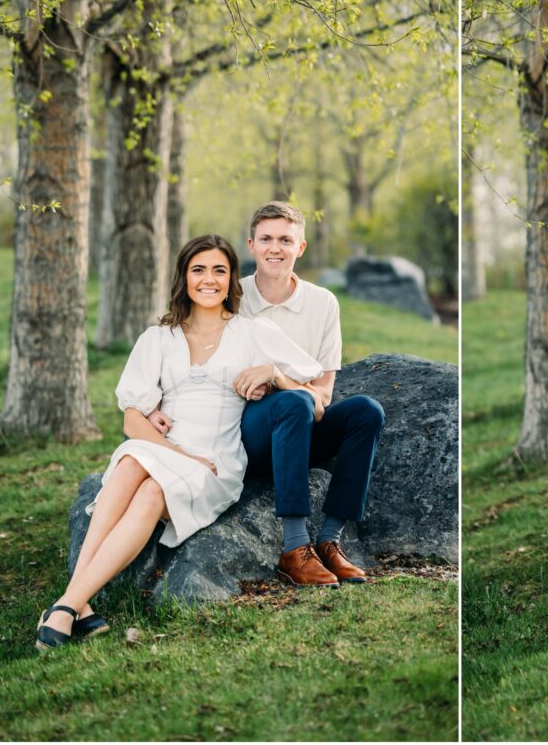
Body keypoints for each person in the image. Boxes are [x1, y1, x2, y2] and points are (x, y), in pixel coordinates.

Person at [35, 235, 323, 650]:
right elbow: (133, 421)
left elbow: (313, 400)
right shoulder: (158, 338)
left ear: (231, 280)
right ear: (184, 278)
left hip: (215, 460)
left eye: (220, 270)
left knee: (152, 488)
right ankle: (72, 606)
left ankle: (69, 604)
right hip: (165, 448)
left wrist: (273, 373)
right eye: (199, 270)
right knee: (135, 462)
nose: (209, 279)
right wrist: (173, 450)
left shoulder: (253, 331)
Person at [150, 202, 384, 588]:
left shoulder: (323, 303)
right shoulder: (229, 297)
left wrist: (276, 375)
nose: (276, 248)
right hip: (241, 436)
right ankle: (294, 547)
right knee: (293, 402)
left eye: (285, 240)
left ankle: (329, 540)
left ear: (301, 247)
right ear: (252, 245)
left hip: (301, 426)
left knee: (366, 411)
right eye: (267, 239)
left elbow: (321, 398)